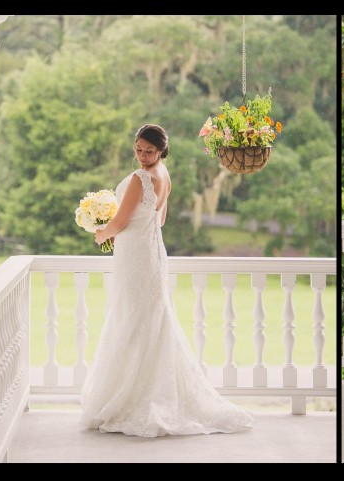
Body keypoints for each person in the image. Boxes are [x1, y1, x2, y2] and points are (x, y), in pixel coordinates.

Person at [81, 124, 254, 436]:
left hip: (136, 254)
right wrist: (123, 222)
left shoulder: (140, 178)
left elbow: (120, 222)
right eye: (138, 149)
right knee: (145, 318)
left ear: (161, 150)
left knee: (133, 319)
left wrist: (101, 232)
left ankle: (130, 401)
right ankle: (140, 395)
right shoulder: (165, 174)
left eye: (148, 151)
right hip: (151, 251)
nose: (142, 155)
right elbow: (159, 218)